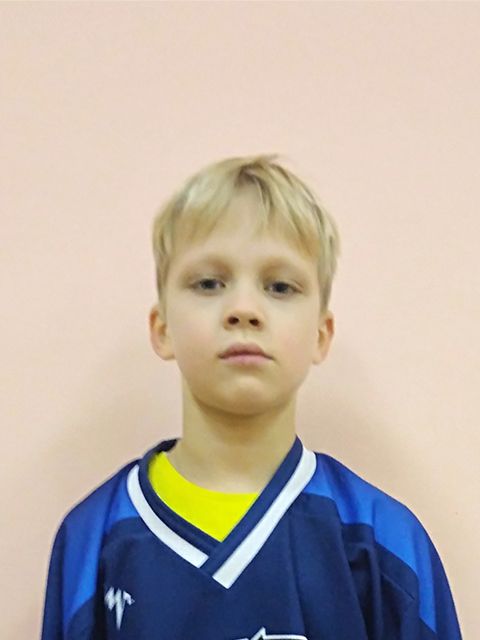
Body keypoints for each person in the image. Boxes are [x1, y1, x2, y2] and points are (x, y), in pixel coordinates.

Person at [40, 153, 462, 639]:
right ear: (162, 329)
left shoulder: (384, 541)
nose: (243, 308)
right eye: (208, 283)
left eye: (279, 286)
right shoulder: (93, 540)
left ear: (320, 334)